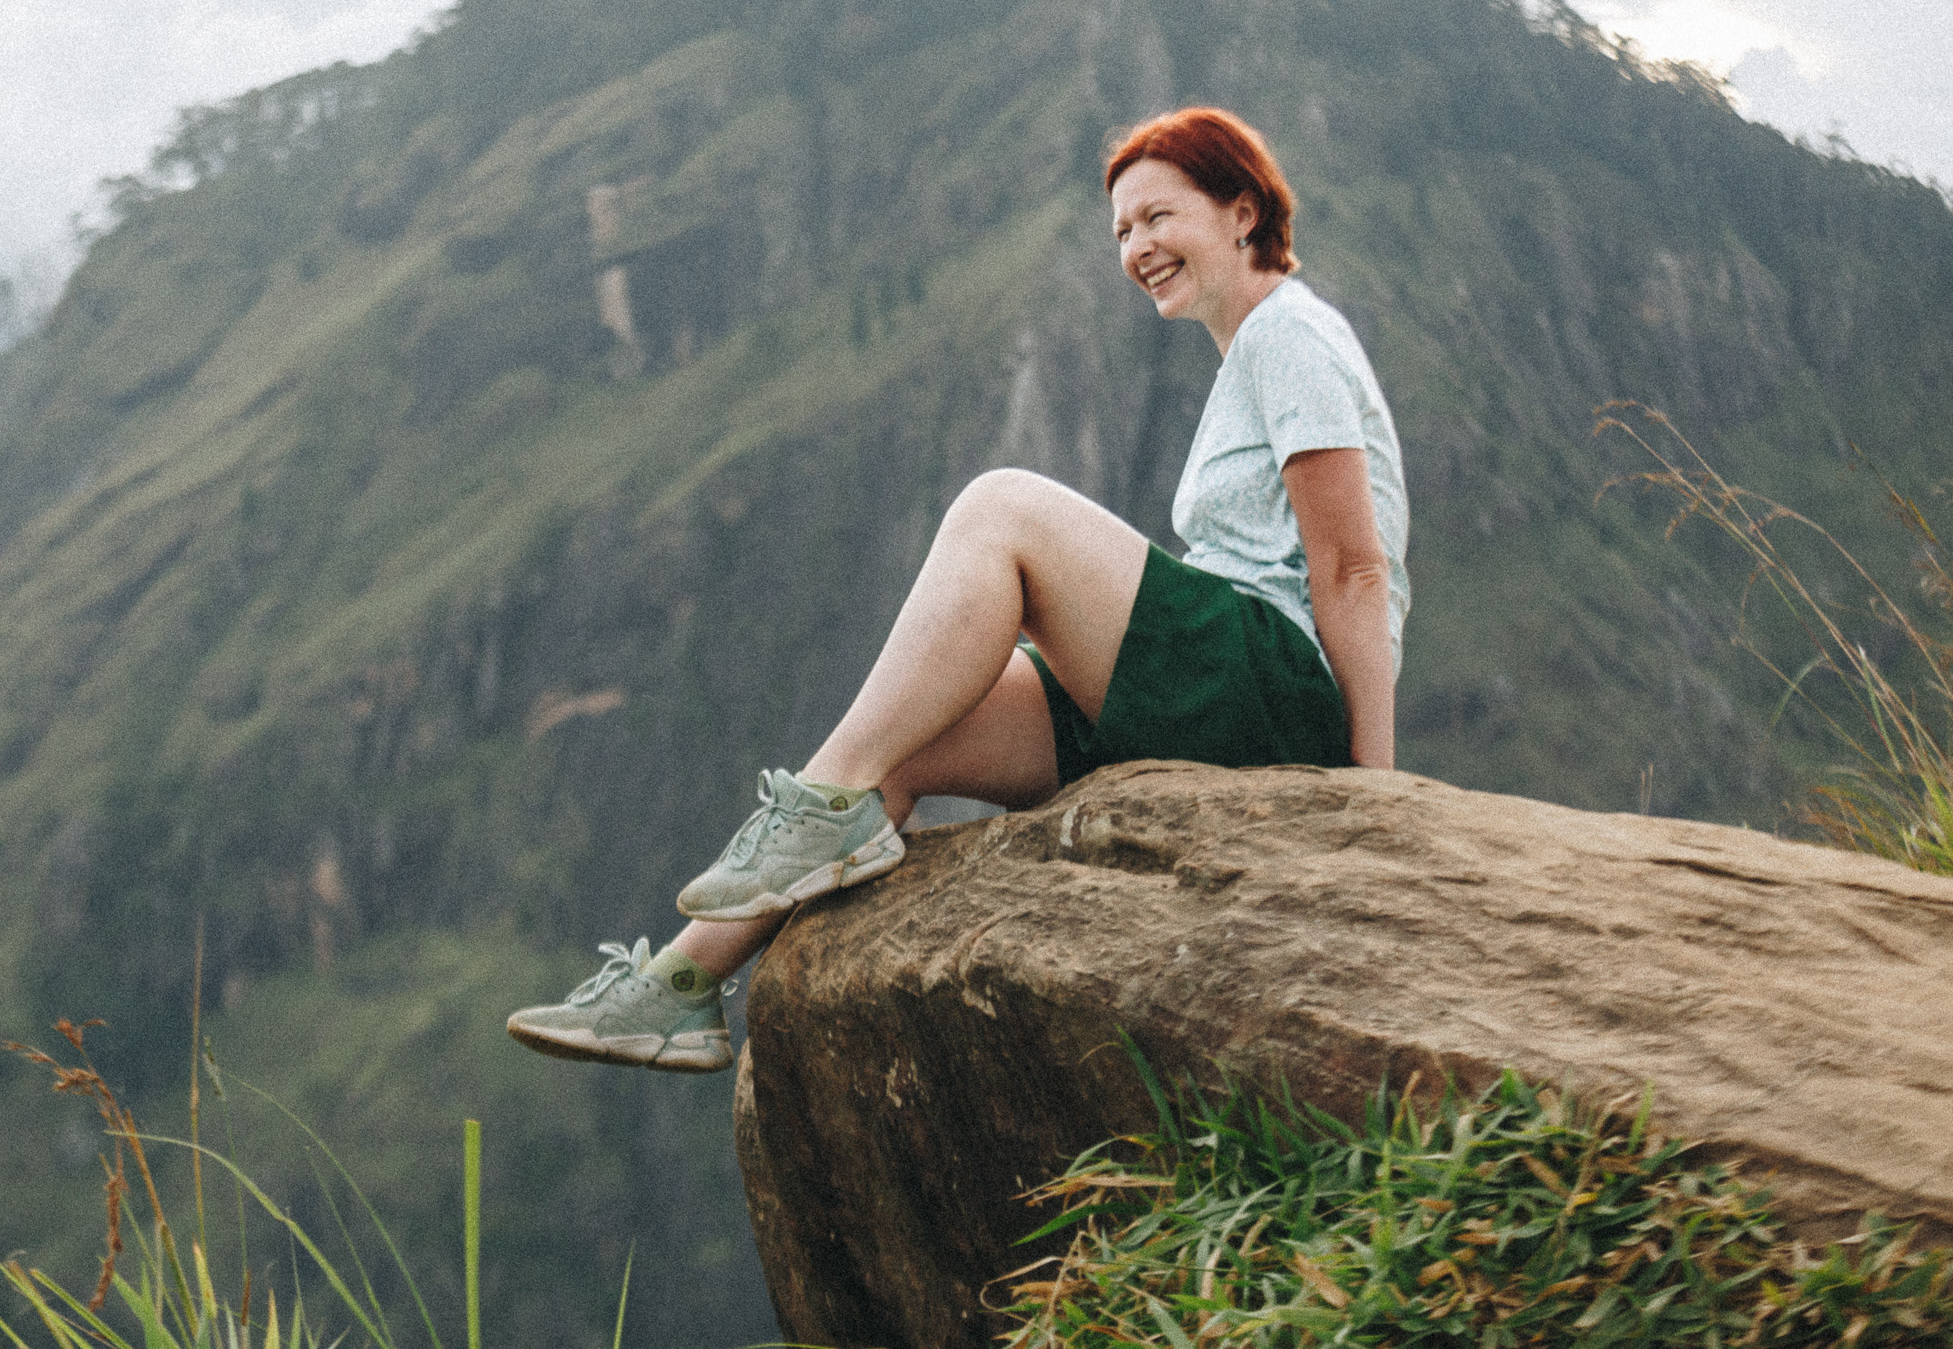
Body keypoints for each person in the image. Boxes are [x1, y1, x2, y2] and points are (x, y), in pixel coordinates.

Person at [505, 106, 1409, 1074]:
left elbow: (1352, 569)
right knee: (903, 740)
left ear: (1241, 211)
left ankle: (811, 812)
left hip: (1275, 686)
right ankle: (678, 987)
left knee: (1000, 506)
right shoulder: (1248, 355)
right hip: (1216, 692)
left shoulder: (1288, 333)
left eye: (1158, 217)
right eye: (1121, 231)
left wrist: (1372, 792)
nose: (1136, 247)